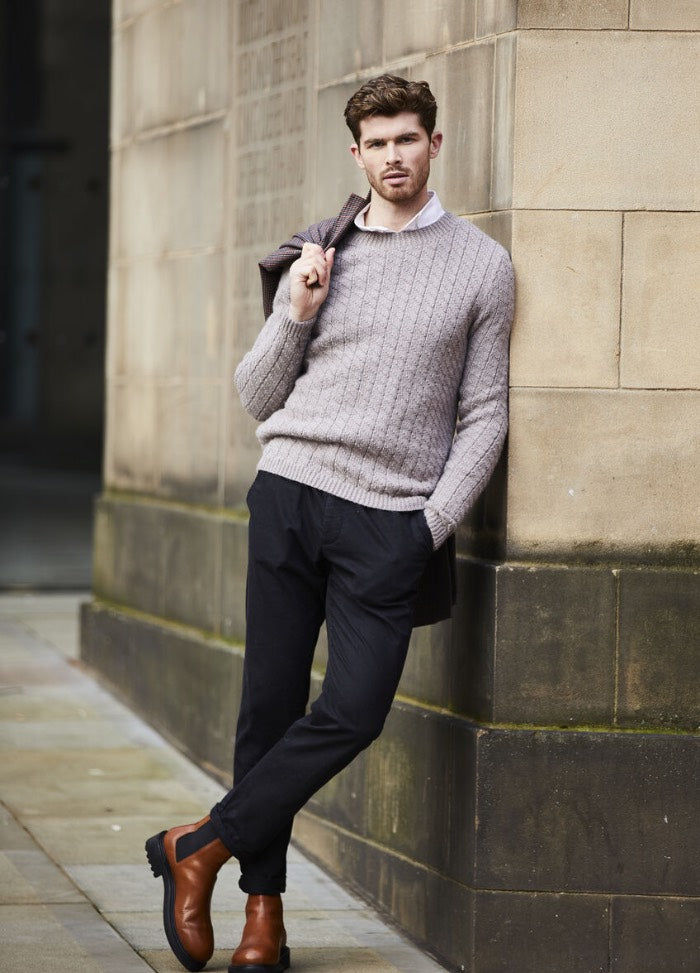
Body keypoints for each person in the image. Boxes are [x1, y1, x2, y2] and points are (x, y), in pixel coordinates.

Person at [146, 74, 514, 973]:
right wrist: (296, 310)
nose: (394, 156)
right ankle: (260, 919)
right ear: (356, 153)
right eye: (377, 142)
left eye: (408, 139)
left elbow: (486, 413)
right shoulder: (320, 248)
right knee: (268, 704)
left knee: (353, 709)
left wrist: (428, 526)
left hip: (389, 522)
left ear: (435, 143)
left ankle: (199, 843)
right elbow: (256, 394)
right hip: (291, 490)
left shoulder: (482, 265)